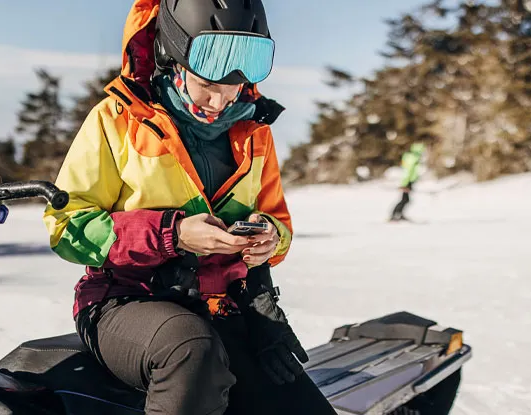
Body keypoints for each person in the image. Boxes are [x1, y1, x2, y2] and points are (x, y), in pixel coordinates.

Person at [43, 1, 336, 414]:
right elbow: (68, 227)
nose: (220, 99)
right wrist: (173, 233)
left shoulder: (254, 131)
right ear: (173, 57)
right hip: (126, 300)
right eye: (207, 84)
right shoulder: (118, 119)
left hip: (221, 304)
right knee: (190, 348)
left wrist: (269, 237)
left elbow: (278, 221)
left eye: (235, 85)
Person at [389, 143, 425, 222]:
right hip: (407, 182)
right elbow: (407, 172)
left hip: (409, 181)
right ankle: (394, 215)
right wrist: (405, 184)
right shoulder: (412, 158)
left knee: (406, 199)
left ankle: (399, 214)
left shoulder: (415, 158)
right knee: (405, 199)